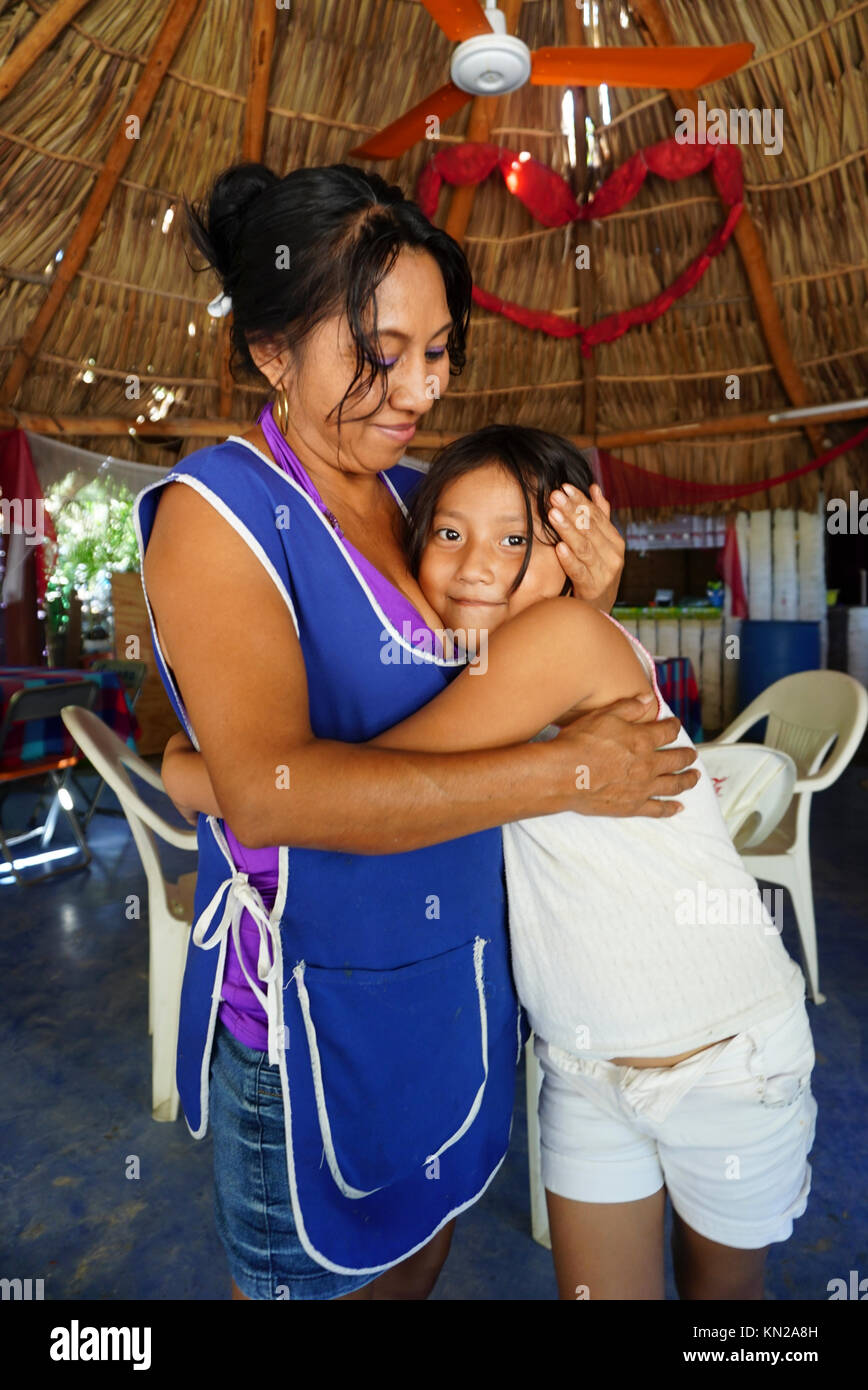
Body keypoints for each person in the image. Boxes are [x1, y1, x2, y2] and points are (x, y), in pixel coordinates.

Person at [140, 161, 699, 1302]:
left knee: (419, 1259)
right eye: (376, 351)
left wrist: (580, 607)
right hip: (311, 1019)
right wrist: (568, 771)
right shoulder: (221, 516)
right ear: (272, 352)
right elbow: (279, 794)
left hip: (452, 985)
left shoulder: (415, 505)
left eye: (437, 350)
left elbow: (477, 684)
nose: (419, 389)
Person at [166, 423, 817, 1303]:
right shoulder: (471, 663)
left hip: (724, 1052)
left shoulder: (556, 641)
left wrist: (196, 775)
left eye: (516, 539)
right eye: (449, 533)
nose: (477, 565)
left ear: (574, 548)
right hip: (584, 1068)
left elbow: (366, 785)